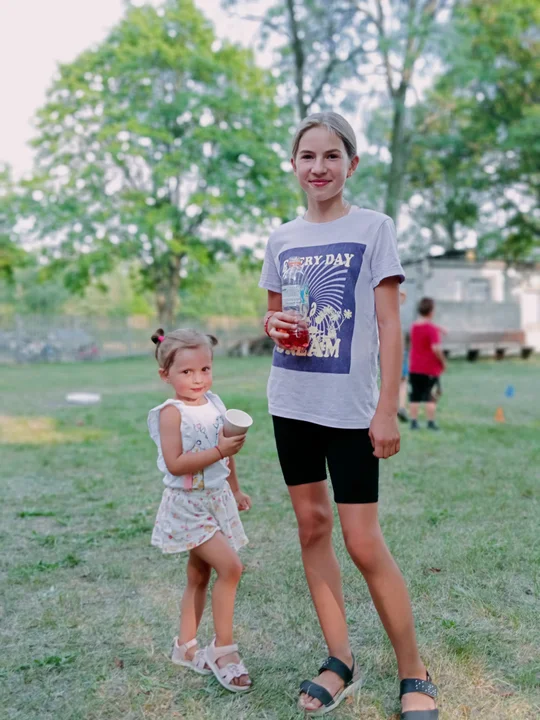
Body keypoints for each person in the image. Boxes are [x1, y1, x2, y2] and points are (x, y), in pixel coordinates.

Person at [260, 112, 438, 719]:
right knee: (312, 528)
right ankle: (341, 660)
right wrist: (272, 324)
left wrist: (387, 408)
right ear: (294, 164)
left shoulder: (374, 228)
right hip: (292, 403)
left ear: (351, 164)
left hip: (352, 411)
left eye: (331, 156)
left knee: (362, 542)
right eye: (307, 156)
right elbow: (276, 319)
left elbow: (390, 325)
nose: (319, 167)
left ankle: (414, 671)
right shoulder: (281, 238)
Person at [147, 328, 252, 692]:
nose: (198, 379)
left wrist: (235, 489)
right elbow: (176, 463)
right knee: (231, 567)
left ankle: (185, 646)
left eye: (205, 369)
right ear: (166, 375)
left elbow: (230, 450)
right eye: (187, 372)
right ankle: (223, 649)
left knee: (199, 575)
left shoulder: (217, 404)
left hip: (216, 498)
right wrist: (221, 451)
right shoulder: (170, 414)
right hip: (188, 506)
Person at [408, 298, 446, 431]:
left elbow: (424, 328)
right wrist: (443, 361)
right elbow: (436, 348)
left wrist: (439, 328)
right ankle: (430, 423)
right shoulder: (431, 329)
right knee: (431, 396)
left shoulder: (414, 326)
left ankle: (413, 422)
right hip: (429, 368)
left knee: (415, 396)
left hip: (414, 367)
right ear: (431, 311)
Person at [398, 289, 410, 423]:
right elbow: (404, 293)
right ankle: (401, 406)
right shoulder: (395, 310)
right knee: (403, 380)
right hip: (398, 348)